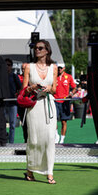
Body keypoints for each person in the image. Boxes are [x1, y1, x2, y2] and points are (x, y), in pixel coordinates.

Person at [22, 40, 57, 184]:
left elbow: (55, 89)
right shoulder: (28, 67)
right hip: (34, 106)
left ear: (47, 50)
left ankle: (49, 172)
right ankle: (30, 170)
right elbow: (23, 90)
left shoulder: (53, 67)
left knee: (49, 138)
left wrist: (49, 89)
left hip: (49, 105)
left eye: (40, 48)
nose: (37, 50)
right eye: (35, 48)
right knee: (34, 140)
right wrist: (32, 88)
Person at [54, 63, 77, 144]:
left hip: (65, 101)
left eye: (60, 68)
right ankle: (56, 136)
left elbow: (74, 88)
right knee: (54, 120)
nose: (59, 69)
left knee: (64, 121)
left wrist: (71, 94)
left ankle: (62, 139)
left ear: (63, 68)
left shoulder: (69, 77)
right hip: (55, 100)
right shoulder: (54, 76)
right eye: (58, 68)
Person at [5, 58, 22, 144]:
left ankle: (11, 142)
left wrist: (17, 94)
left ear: (11, 66)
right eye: (5, 65)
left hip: (12, 103)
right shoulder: (1, 77)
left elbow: (20, 87)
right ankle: (4, 139)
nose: (7, 66)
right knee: (2, 124)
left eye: (8, 65)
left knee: (12, 124)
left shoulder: (14, 76)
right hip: (3, 103)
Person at [18, 63, 28, 142]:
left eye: (25, 68)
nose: (23, 70)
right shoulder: (19, 77)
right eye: (22, 68)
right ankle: (26, 140)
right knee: (24, 123)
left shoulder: (32, 78)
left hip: (31, 103)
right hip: (22, 104)